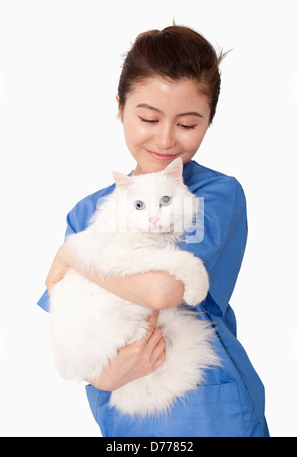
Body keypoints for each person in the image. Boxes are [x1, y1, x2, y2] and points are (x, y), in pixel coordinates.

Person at [38, 25, 269, 437]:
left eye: (187, 124)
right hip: (124, 414)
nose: (165, 139)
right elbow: (70, 323)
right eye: (148, 117)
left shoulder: (216, 194)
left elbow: (163, 290)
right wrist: (103, 379)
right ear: (121, 107)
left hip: (211, 414)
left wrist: (75, 254)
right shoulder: (85, 211)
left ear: (210, 121)